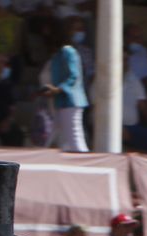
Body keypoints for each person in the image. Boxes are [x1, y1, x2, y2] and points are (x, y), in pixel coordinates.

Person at [40, 17, 88, 153]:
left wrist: (57, 89)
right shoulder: (59, 53)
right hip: (61, 103)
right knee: (51, 139)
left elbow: (74, 76)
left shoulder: (68, 51)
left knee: (75, 143)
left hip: (70, 102)